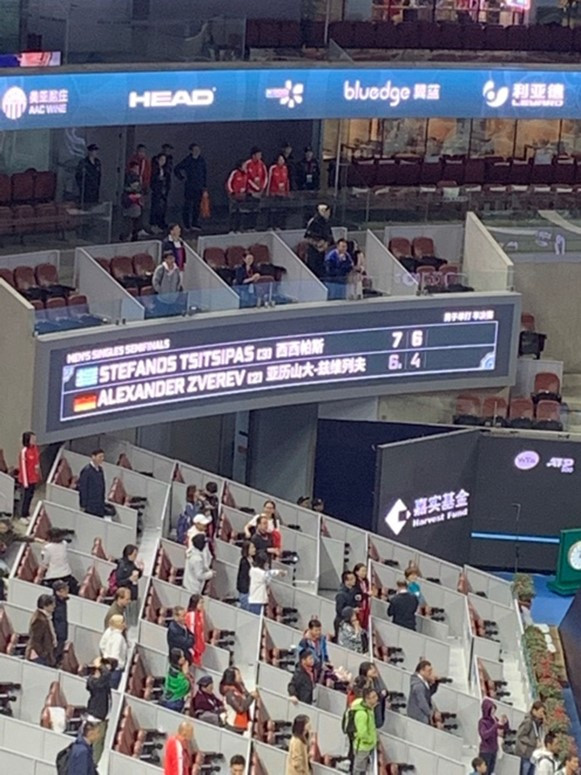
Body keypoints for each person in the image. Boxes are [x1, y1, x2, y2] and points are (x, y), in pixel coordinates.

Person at [174, 143, 207, 231]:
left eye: (198, 150)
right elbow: (177, 168)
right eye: (195, 150)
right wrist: (182, 177)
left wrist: (204, 185)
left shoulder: (201, 160)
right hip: (190, 186)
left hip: (199, 186)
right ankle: (186, 224)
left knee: (197, 205)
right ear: (191, 151)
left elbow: (204, 173)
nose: (197, 151)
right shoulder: (188, 160)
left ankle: (194, 223)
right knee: (188, 205)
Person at [86, 656, 113, 764]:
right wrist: (100, 665)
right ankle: (92, 766)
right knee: (97, 746)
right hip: (96, 720)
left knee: (99, 745)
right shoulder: (94, 682)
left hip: (101, 719)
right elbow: (107, 675)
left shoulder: (101, 682)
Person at [40, 527, 79, 594]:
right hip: (66, 574)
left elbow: (45, 562)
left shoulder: (47, 548)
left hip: (53, 576)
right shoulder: (64, 544)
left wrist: (43, 551)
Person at [349, 687, 379, 775]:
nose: (376, 698)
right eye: (373, 697)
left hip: (369, 746)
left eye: (376, 696)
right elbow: (362, 733)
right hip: (362, 747)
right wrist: (370, 740)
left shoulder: (369, 709)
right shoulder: (362, 714)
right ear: (367, 699)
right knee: (358, 770)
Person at [219, 666, 257, 733]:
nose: (240, 676)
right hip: (233, 725)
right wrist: (251, 697)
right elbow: (240, 709)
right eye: (238, 674)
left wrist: (242, 685)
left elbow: (246, 696)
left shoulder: (239, 687)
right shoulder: (229, 693)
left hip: (241, 724)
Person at [248, 551, 286, 615]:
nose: (267, 564)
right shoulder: (256, 571)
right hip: (257, 601)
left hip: (260, 600)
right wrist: (279, 572)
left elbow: (267, 580)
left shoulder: (257, 571)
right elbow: (267, 574)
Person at [515, 700, 546, 775]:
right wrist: (534, 742)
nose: (542, 714)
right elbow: (520, 735)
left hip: (534, 754)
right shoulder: (528, 722)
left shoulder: (539, 723)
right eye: (540, 712)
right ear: (534, 711)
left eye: (543, 712)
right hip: (526, 753)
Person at [25, 593, 56, 666]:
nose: (54, 606)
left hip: (43, 655)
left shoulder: (45, 618)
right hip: (38, 657)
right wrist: (43, 654)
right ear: (45, 606)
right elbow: (35, 640)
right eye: (52, 604)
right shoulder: (39, 620)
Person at [478, 697, 508, 773]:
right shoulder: (482, 722)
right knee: (484, 772)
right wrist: (495, 726)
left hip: (494, 750)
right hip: (485, 751)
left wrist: (505, 723)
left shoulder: (495, 720)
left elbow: (503, 730)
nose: (493, 711)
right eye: (491, 709)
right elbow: (484, 735)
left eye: (494, 709)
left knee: (491, 771)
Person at [99, 614, 127, 689]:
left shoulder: (110, 633)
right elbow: (115, 656)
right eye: (123, 622)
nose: (125, 624)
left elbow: (102, 646)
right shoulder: (118, 638)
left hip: (107, 667)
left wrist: (106, 656)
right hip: (115, 670)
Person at [304, 204, 333, 279]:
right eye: (327, 212)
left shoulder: (326, 223)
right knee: (314, 270)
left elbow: (330, 236)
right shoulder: (313, 222)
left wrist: (326, 243)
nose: (329, 214)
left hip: (324, 252)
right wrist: (318, 244)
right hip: (314, 252)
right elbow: (307, 237)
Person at [407, 660, 439, 725]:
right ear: (422, 671)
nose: (431, 673)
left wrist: (435, 683)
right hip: (418, 717)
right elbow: (422, 702)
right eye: (429, 671)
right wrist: (431, 714)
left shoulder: (423, 682)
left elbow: (428, 694)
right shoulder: (418, 685)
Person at [299, 618, 331, 682]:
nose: (318, 632)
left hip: (320, 667)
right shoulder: (304, 642)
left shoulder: (322, 639)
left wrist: (326, 661)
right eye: (316, 630)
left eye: (319, 630)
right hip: (310, 669)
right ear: (310, 630)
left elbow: (324, 652)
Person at [243, 147, 268, 230]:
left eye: (260, 155)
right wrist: (255, 188)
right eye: (258, 154)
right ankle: (247, 227)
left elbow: (265, 177)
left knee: (256, 210)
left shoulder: (262, 164)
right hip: (250, 192)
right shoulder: (247, 164)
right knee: (248, 209)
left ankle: (253, 227)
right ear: (253, 155)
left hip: (259, 192)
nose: (260, 156)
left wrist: (262, 188)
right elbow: (246, 178)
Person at [18, 431, 40, 519]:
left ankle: (26, 513)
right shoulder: (24, 452)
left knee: (30, 497)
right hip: (26, 480)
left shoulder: (35, 449)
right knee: (24, 498)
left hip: (33, 478)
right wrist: (25, 483)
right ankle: (22, 515)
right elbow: (23, 468)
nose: (34, 440)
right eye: (32, 438)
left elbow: (36, 463)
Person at [358, 661, 388, 728]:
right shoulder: (363, 684)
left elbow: (384, 691)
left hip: (378, 711)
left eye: (373, 668)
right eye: (371, 669)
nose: (374, 670)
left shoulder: (375, 680)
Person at [78, 449, 106, 518]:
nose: (102, 459)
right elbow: (83, 489)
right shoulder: (87, 471)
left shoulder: (100, 470)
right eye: (100, 457)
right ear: (93, 457)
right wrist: (83, 505)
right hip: (90, 506)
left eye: (103, 457)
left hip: (99, 505)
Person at [162, 648, 191, 712]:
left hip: (166, 699)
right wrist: (186, 673)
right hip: (175, 703)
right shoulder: (178, 675)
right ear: (178, 660)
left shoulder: (171, 667)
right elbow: (187, 687)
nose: (184, 658)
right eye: (182, 657)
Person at [121, 161, 145, 241]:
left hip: (132, 201)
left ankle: (131, 234)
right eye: (136, 168)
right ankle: (129, 235)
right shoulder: (132, 177)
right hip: (131, 201)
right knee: (131, 219)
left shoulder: (131, 176)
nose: (137, 170)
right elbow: (135, 188)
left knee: (133, 219)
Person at [334, 570, 361, 637]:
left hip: (350, 620)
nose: (354, 580)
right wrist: (352, 610)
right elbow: (339, 610)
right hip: (342, 622)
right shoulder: (341, 594)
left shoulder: (353, 591)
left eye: (354, 578)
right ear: (346, 581)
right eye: (352, 579)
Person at [267, 153, 290, 230]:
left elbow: (286, 180)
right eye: (280, 159)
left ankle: (280, 225)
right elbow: (269, 180)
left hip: (282, 193)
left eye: (283, 159)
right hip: (274, 193)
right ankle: (271, 226)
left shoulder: (285, 168)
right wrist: (268, 192)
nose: (282, 161)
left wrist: (287, 191)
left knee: (281, 210)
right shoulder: (273, 168)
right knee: (273, 210)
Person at [150, 152, 171, 231]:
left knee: (163, 208)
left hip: (164, 191)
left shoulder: (166, 170)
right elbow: (153, 180)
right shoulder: (154, 169)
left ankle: (161, 223)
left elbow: (168, 180)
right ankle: (154, 224)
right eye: (161, 160)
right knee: (155, 207)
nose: (163, 161)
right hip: (157, 191)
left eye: (164, 160)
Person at [226, 160, 249, 232]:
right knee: (233, 212)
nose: (245, 167)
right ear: (240, 166)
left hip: (242, 196)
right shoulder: (235, 173)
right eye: (244, 165)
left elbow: (247, 184)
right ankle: (231, 229)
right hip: (234, 196)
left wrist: (246, 191)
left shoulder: (246, 174)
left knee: (241, 212)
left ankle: (239, 228)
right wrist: (232, 192)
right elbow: (229, 183)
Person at [185, 594, 206, 667]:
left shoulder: (199, 615)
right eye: (201, 603)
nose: (202, 605)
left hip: (198, 648)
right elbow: (191, 633)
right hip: (193, 649)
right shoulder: (191, 615)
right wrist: (193, 650)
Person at [52, 580, 69, 664]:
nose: (67, 591)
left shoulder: (63, 602)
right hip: (56, 636)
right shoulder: (53, 603)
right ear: (57, 592)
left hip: (62, 635)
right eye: (64, 589)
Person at [237, 540, 256, 611]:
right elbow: (243, 578)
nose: (254, 549)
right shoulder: (244, 562)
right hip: (245, 592)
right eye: (252, 548)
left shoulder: (252, 560)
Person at [353, 563, 370, 630]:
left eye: (365, 571)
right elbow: (357, 595)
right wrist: (366, 594)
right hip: (359, 605)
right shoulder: (355, 583)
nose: (364, 573)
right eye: (362, 571)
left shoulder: (366, 581)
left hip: (365, 604)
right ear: (357, 572)